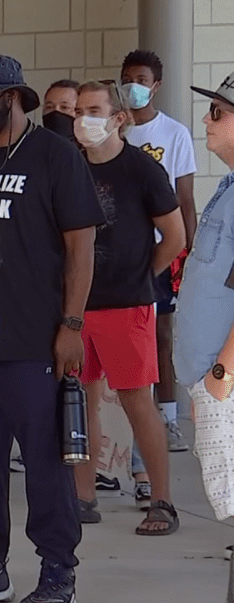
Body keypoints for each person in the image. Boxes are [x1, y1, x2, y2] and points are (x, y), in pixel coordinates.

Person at [0, 54, 104, 603]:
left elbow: (81, 247)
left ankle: (58, 569)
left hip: (34, 337)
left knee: (46, 464)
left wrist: (71, 323)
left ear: (11, 97)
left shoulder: (55, 156)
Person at [69, 81, 184, 536]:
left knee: (139, 403)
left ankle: (162, 501)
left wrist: (141, 278)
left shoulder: (142, 170)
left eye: (94, 109)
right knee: (79, 401)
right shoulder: (69, 167)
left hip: (127, 307)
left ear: (119, 117)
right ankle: (83, 495)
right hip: (78, 308)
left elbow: (174, 238)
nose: (83, 119)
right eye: (79, 110)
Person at [120, 49, 198, 455]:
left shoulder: (174, 133)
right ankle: (121, 424)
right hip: (120, 251)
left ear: (156, 85)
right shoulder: (114, 130)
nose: (134, 85)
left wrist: (190, 254)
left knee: (160, 334)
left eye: (142, 78)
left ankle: (167, 417)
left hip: (161, 249)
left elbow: (185, 199)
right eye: (127, 77)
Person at [174, 69, 234, 561]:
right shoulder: (229, 187)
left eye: (218, 111)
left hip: (227, 381)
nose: (206, 119)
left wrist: (221, 374)